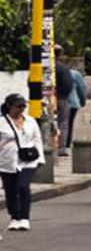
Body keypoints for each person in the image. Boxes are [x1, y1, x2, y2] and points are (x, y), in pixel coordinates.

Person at [0, 94, 44, 232]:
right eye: (18, 106)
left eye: (23, 106)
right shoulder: (2, 122)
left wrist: (41, 158)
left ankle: (24, 217)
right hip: (7, 161)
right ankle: (14, 217)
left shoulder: (30, 121)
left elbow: (37, 139)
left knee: (23, 186)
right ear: (9, 106)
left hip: (28, 160)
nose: (21, 109)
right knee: (10, 190)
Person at [53, 45, 75, 157]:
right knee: (62, 123)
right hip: (61, 98)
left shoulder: (39, 67)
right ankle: (61, 148)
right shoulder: (62, 68)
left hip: (42, 100)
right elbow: (68, 84)